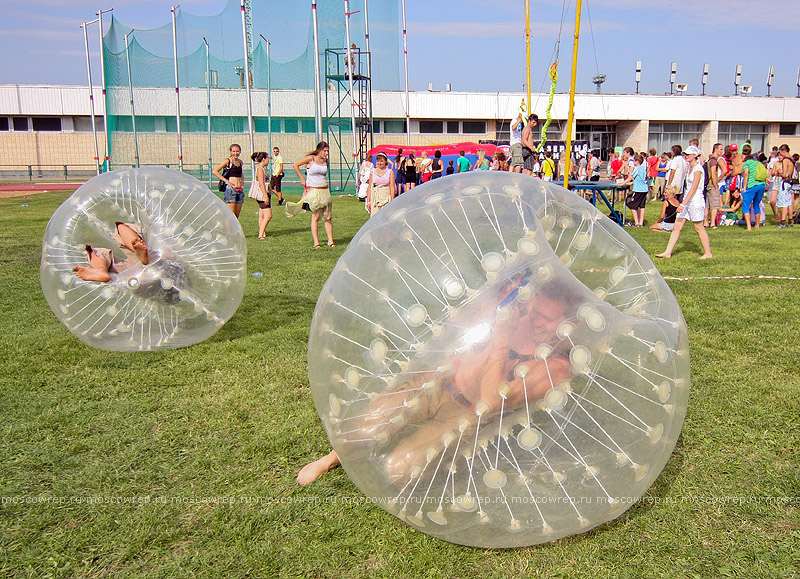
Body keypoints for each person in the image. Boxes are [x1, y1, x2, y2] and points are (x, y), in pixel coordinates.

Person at [297, 277, 579, 485]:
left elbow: (490, 402)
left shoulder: (555, 367)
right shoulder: (522, 312)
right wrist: (499, 299)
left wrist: (504, 335)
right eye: (535, 310)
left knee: (398, 469)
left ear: (570, 324)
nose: (534, 319)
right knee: (367, 424)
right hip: (439, 380)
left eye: (546, 318)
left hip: (465, 415)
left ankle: (426, 459)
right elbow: (470, 331)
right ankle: (331, 459)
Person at [656, 145, 712, 259]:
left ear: (695, 155)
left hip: (695, 202)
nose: (686, 156)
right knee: (677, 226)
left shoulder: (698, 169)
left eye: (688, 154)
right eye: (685, 154)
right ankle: (668, 252)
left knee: (698, 228)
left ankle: (708, 253)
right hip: (687, 201)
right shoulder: (689, 168)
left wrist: (682, 204)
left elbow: (694, 188)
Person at [291, 141, 335, 249]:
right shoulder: (311, 158)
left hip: (324, 190)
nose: (326, 153)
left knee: (328, 216)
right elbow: (295, 165)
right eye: (324, 151)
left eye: (327, 151)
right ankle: (316, 242)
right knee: (315, 216)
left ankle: (330, 240)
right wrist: (302, 178)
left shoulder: (326, 161)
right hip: (314, 191)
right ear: (319, 150)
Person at [73, 222, 148, 282]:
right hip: (150, 261)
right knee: (121, 227)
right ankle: (135, 245)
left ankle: (101, 269)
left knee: (95, 253)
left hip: (128, 278)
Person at [213, 143, 245, 218]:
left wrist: (242, 181)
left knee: (236, 215)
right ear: (230, 152)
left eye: (237, 151)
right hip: (231, 190)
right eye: (233, 151)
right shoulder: (228, 161)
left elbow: (241, 173)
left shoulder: (240, 162)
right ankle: (229, 229)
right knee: (231, 215)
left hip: (239, 190)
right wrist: (227, 181)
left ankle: (233, 229)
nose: (235, 153)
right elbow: (215, 171)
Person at [740, 143, 766, 231]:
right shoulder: (758, 163)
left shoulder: (746, 164)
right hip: (761, 185)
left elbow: (746, 174)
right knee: (756, 204)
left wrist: (744, 187)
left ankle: (748, 226)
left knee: (746, 205)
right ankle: (757, 225)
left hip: (752, 185)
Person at [248, 151, 272, 239]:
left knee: (262, 214)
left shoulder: (262, 168)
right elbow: (261, 184)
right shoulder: (260, 169)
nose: (268, 160)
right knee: (268, 215)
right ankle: (261, 234)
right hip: (262, 195)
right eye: (267, 158)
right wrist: (265, 196)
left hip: (265, 193)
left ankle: (263, 232)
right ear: (263, 159)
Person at [621, 153, 648, 226]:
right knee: (642, 206)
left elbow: (631, 177)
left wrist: (622, 183)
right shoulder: (643, 169)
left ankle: (636, 222)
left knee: (631, 204)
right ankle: (641, 223)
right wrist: (630, 183)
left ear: (636, 161)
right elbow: (639, 180)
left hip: (638, 190)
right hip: (644, 189)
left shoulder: (637, 169)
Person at [366, 151, 396, 216]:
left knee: (386, 218)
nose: (380, 163)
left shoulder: (390, 172)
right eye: (378, 161)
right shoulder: (372, 171)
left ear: (385, 162)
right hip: (375, 199)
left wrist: (392, 202)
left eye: (381, 161)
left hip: (386, 198)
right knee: (375, 218)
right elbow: (369, 187)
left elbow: (392, 188)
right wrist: (368, 201)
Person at [704, 143, 726, 228]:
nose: (722, 151)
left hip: (707, 185)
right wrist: (716, 185)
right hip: (712, 185)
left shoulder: (709, 160)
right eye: (720, 149)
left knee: (707, 205)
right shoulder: (714, 161)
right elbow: (713, 174)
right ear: (716, 149)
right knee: (714, 205)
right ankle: (713, 223)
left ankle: (705, 222)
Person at [775, 144, 795, 228]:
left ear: (783, 151)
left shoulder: (785, 160)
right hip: (790, 182)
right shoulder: (792, 159)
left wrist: (779, 173)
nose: (780, 155)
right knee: (788, 202)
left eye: (780, 153)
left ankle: (782, 222)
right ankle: (790, 220)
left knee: (783, 203)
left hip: (784, 183)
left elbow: (784, 174)